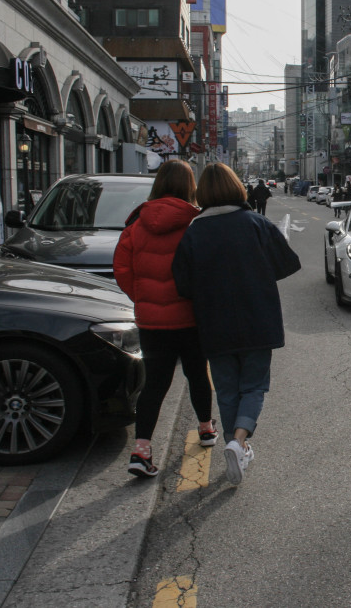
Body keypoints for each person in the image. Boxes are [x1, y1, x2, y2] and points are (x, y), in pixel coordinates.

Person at [173, 163, 302, 486]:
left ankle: (235, 445)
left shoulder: (193, 232)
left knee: (227, 390)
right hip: (258, 320)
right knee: (254, 385)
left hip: (214, 324)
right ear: (236, 188)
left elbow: (183, 285)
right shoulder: (256, 223)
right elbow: (287, 263)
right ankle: (240, 440)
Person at [113, 159, 217, 478]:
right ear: (190, 187)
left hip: (151, 321)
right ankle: (205, 428)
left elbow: (122, 269)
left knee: (154, 384)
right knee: (197, 374)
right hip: (190, 319)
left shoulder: (136, 224)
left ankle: (141, 450)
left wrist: (144, 298)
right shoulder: (196, 224)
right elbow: (207, 272)